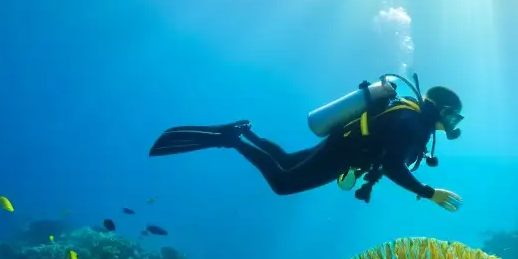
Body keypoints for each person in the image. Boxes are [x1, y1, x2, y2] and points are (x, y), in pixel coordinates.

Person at [148, 82, 464, 211]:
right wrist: (429, 192)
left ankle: (245, 133)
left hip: (344, 143)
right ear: (440, 109)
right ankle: (231, 140)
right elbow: (394, 165)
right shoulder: (413, 124)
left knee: (284, 160)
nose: (453, 124)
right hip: (345, 153)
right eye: (452, 115)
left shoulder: (409, 114)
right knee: (284, 183)